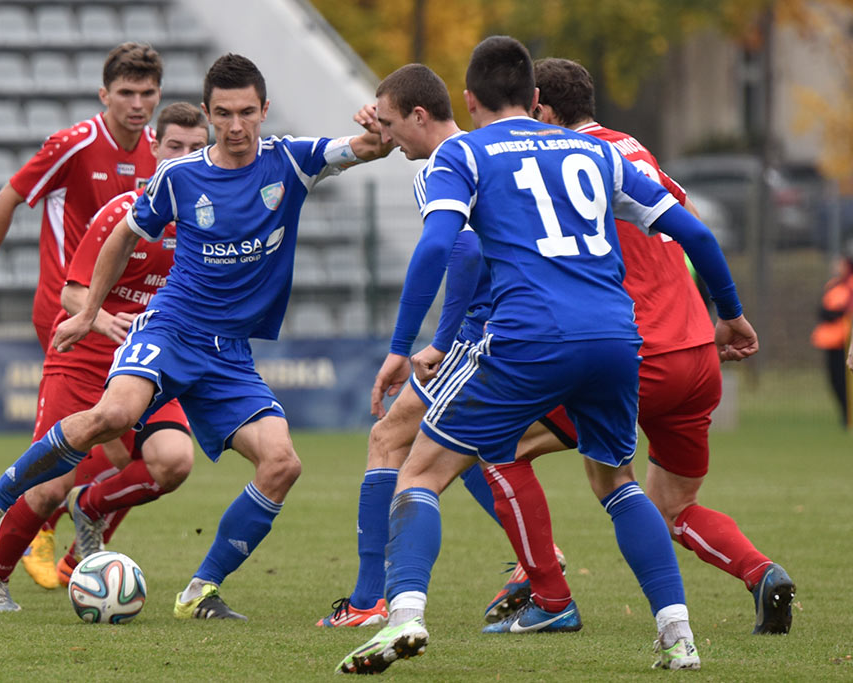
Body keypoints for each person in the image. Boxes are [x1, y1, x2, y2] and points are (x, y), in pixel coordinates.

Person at [336, 37, 757, 674]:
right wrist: (729, 313)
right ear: (535, 100)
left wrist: (401, 348)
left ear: (469, 99)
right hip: (618, 339)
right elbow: (694, 232)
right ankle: (678, 637)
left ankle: (403, 620)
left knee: (420, 471)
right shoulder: (596, 149)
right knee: (617, 481)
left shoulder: (463, 151)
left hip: (529, 337)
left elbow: (437, 251)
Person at [0, 53, 394, 621]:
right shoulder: (179, 178)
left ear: (264, 110)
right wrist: (87, 314)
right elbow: (125, 235)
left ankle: (198, 590)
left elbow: (370, 147)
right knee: (114, 416)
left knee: (281, 464)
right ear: (208, 112)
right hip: (171, 332)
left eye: (246, 113)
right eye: (223, 113)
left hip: (229, 354)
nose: (235, 126)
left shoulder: (291, 161)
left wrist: (380, 119)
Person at [478, 56, 796, 637]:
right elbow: (694, 227)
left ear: (541, 106)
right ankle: (761, 572)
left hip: (633, 352)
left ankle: (549, 595)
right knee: (671, 504)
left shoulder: (548, 165)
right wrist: (727, 315)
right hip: (697, 352)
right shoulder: (631, 148)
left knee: (503, 445)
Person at [316, 65, 573, 629]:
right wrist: (378, 126)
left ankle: (368, 601)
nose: (387, 135)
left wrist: (437, 339)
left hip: (482, 333)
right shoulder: (491, 151)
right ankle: (539, 563)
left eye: (391, 124)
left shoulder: (442, 166)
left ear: (420, 116)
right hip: (541, 327)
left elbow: (465, 254)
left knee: (389, 440)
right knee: (476, 449)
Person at [0, 104, 209, 612]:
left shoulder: (208, 221)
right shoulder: (123, 213)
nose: (185, 157)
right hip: (85, 356)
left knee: (173, 462)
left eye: (195, 148)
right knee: (49, 485)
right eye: (174, 147)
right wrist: (102, 320)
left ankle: (91, 510)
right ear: (155, 150)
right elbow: (73, 294)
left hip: (147, 360)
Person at [0, 42, 163, 349]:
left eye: (147, 94)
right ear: (104, 95)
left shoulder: (160, 151)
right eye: (126, 93)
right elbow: (7, 198)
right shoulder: (73, 146)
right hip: (65, 310)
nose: (137, 104)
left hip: (123, 314)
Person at [812, 254, 853, 427]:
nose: (837, 266)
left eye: (840, 263)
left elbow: (845, 310)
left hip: (846, 341)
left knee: (845, 380)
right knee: (835, 380)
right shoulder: (834, 284)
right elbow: (823, 309)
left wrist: (836, 312)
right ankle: (845, 414)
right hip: (831, 341)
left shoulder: (850, 285)